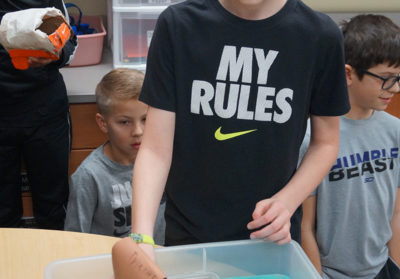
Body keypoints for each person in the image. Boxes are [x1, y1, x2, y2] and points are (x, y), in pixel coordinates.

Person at [131, 0, 350, 256]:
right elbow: (155, 150)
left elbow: (325, 144)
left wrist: (287, 201)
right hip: (191, 238)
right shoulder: (178, 24)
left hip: (272, 237)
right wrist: (141, 237)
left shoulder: (319, 36)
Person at [301, 14, 400, 279]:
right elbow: (304, 226)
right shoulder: (313, 139)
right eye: (386, 78)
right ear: (348, 74)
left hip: (383, 271)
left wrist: (396, 267)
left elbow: (396, 211)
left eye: (399, 77)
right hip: (328, 277)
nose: (396, 87)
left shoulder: (395, 131)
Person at [64, 68, 166, 244]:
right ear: (103, 123)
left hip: (159, 260)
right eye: (124, 122)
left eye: (145, 119)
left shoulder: (163, 162)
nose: (138, 131)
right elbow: (74, 238)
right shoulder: (88, 177)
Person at [0, 0, 77, 229]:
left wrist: (59, 52)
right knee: (2, 213)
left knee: (53, 208)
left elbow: (68, 40)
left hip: (45, 112)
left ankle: (51, 263)